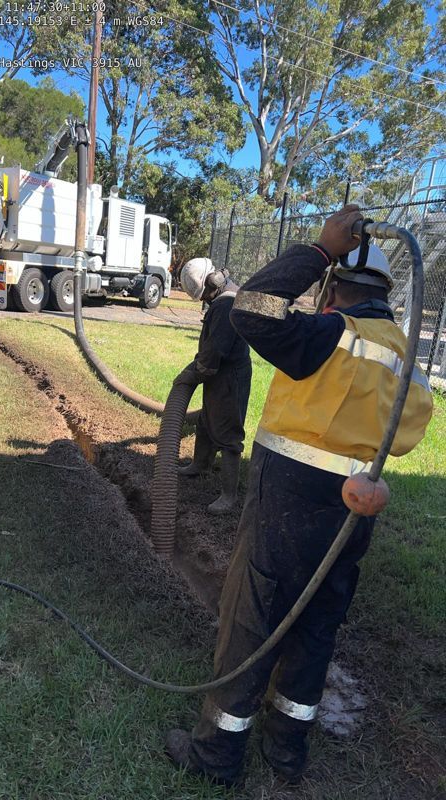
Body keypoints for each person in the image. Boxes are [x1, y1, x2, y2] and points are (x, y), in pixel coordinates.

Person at [165, 206, 433, 786]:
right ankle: (286, 752)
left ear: (334, 286)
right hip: (351, 512)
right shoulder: (403, 355)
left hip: (287, 499)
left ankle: (217, 756)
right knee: (316, 626)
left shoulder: (330, 336)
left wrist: (318, 250)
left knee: (251, 619)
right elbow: (408, 435)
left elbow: (251, 309)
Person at [175, 258, 252, 515]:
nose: (203, 299)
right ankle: (200, 465)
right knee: (206, 421)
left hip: (230, 378)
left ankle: (229, 496)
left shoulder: (225, 304)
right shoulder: (224, 299)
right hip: (221, 373)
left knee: (228, 433)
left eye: (203, 294)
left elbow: (213, 354)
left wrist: (189, 376)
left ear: (213, 282)